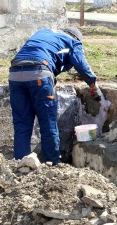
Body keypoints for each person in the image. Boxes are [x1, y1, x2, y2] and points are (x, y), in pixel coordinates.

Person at [8, 27, 102, 165]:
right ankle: (51, 164)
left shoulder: (43, 32)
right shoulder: (73, 42)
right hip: (39, 74)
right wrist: (94, 85)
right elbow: (81, 64)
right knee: (47, 122)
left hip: (15, 75)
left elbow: (37, 52)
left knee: (22, 124)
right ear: (76, 38)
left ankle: (20, 164)